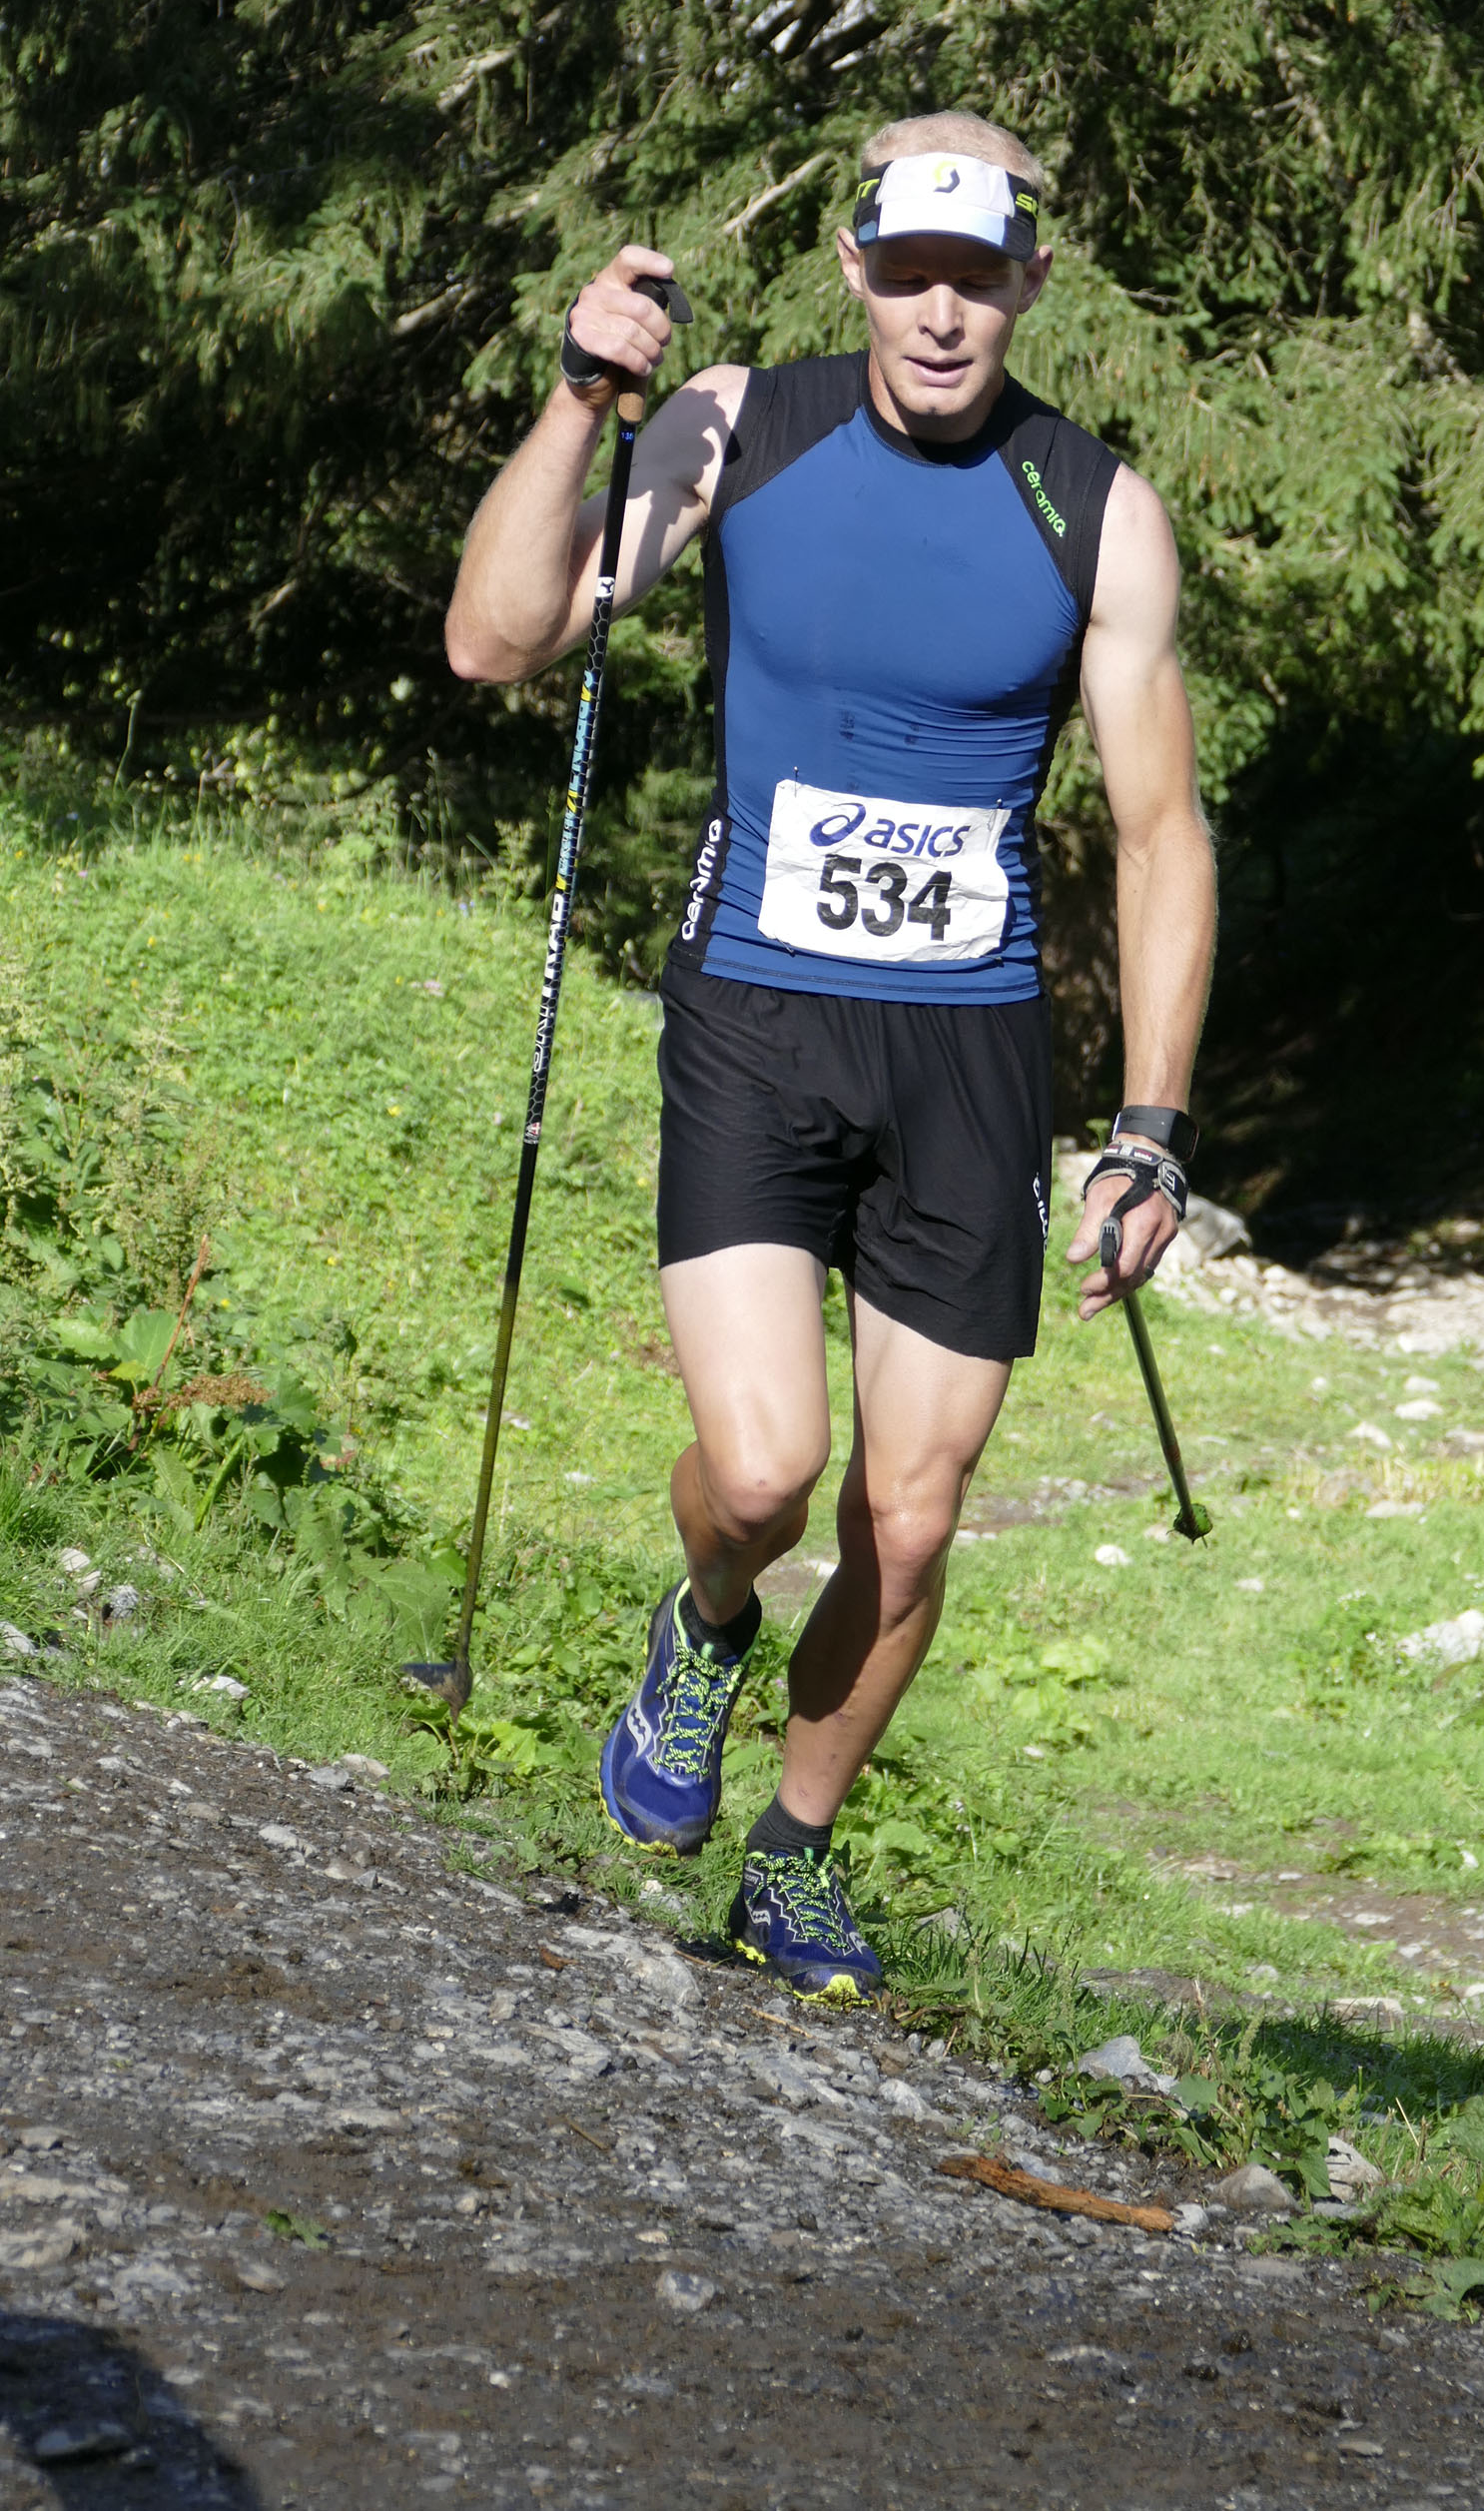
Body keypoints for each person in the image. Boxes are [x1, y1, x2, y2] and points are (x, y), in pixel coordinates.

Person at [445, 112, 1216, 2002]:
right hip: (755, 1013)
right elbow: (496, 640)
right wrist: (578, 400)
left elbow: (1157, 833)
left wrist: (1150, 1131)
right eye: (909, 273)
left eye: (978, 278)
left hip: (969, 1055)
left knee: (912, 1514)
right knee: (768, 1472)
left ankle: (788, 1858)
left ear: (1029, 282)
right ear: (857, 269)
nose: (942, 315)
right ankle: (705, 1620)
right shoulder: (740, 425)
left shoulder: (1094, 507)